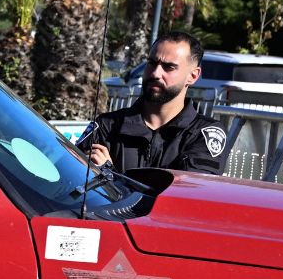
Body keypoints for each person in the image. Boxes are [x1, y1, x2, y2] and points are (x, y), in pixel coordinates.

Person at [78, 30, 226, 174]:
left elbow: (184, 194)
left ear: (193, 76)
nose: (155, 73)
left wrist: (108, 173)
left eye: (169, 67)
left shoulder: (203, 134)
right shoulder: (108, 126)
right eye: (152, 63)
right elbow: (72, 180)